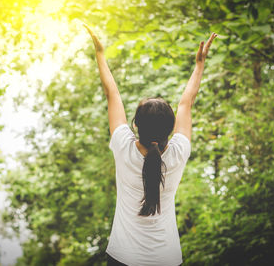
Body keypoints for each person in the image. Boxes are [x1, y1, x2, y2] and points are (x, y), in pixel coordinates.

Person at [83, 23, 217, 266]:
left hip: (122, 258)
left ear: (135, 125)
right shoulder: (178, 153)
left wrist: (100, 54)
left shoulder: (123, 147)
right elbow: (186, 104)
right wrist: (200, 64)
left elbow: (112, 94)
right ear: (171, 130)